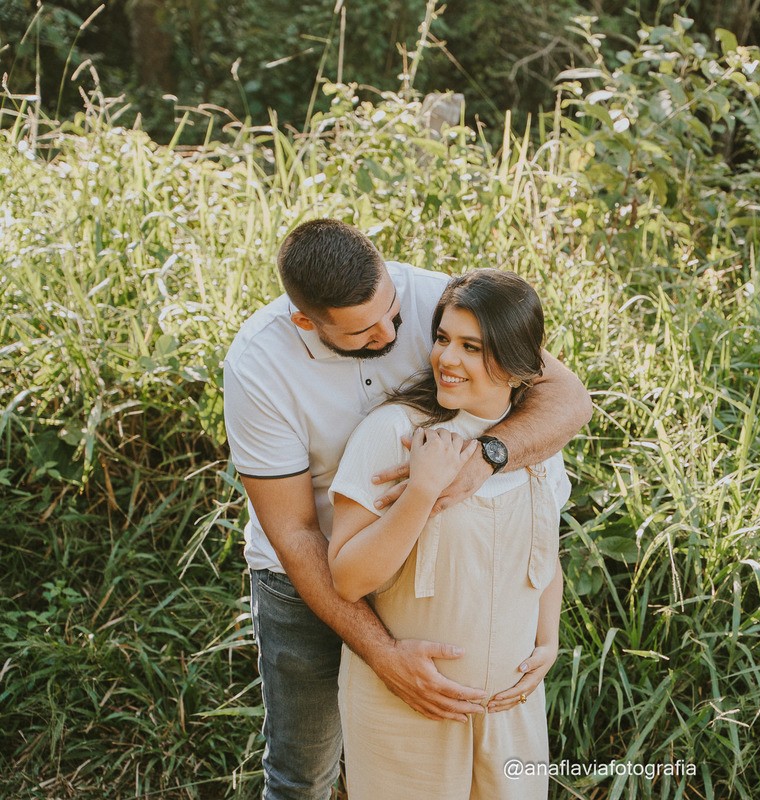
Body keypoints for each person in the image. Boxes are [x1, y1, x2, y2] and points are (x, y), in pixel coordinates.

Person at [222, 220, 591, 800]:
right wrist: (383, 654)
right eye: (362, 332)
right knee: (306, 772)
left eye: (391, 311)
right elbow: (295, 532)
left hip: (437, 562)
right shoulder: (257, 367)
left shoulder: (440, 301)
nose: (392, 332)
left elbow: (565, 395)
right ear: (306, 322)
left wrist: (485, 459)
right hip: (308, 573)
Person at [328, 268, 566, 799]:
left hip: (512, 706)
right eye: (442, 338)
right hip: (407, 706)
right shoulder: (393, 432)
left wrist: (548, 642)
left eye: (472, 347)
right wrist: (421, 493)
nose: (447, 359)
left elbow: (545, 555)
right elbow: (347, 577)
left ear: (517, 362)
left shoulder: (536, 442)